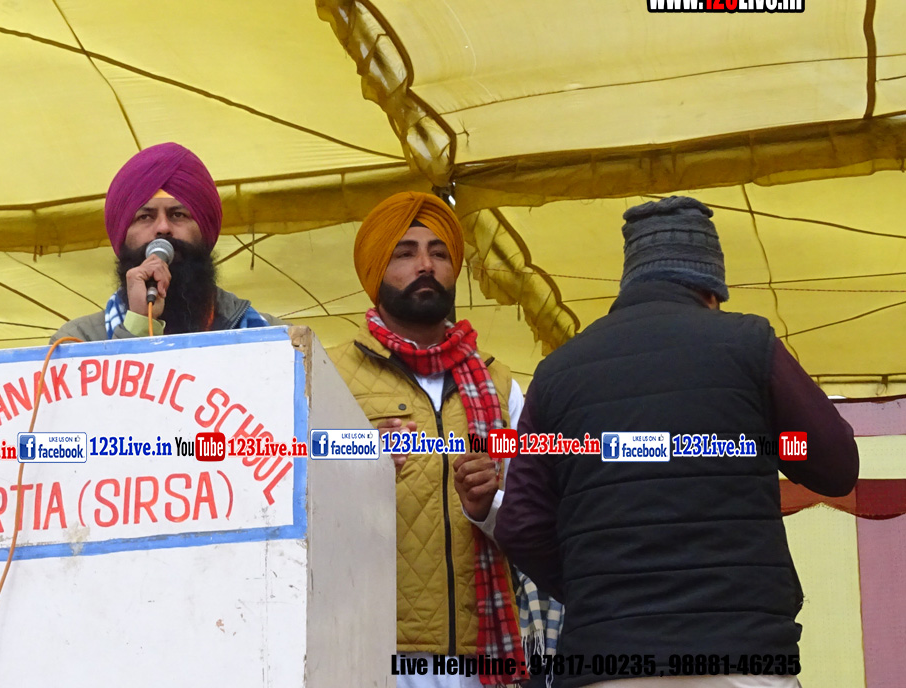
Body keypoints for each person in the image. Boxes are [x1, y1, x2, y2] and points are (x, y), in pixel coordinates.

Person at [495, 196, 860, 688]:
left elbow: (520, 524)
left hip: (607, 662)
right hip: (741, 656)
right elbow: (835, 466)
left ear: (630, 280)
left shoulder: (556, 374)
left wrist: (596, 592)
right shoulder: (748, 344)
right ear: (711, 289)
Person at [332, 191, 553, 687]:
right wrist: (360, 465)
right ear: (376, 269)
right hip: (371, 649)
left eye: (439, 253)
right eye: (404, 253)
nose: (425, 266)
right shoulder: (328, 375)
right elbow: (299, 499)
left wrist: (486, 505)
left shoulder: (500, 384)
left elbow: (534, 515)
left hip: (483, 653)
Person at [54, 143, 282, 341]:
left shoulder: (275, 338)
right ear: (122, 236)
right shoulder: (78, 340)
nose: (163, 228)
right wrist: (139, 323)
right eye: (145, 217)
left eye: (178, 215)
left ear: (205, 232)